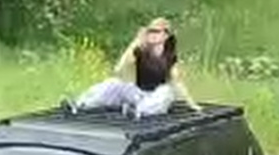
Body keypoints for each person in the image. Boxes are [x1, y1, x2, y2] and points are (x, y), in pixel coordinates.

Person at [64, 17, 199, 117]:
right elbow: (119, 70)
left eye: (156, 31)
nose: (152, 34)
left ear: (165, 35)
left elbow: (177, 83)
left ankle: (139, 112)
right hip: (138, 93)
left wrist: (192, 105)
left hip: (155, 98)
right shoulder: (140, 51)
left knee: (167, 91)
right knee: (114, 83)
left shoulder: (169, 57)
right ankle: (81, 104)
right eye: (150, 31)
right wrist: (135, 43)